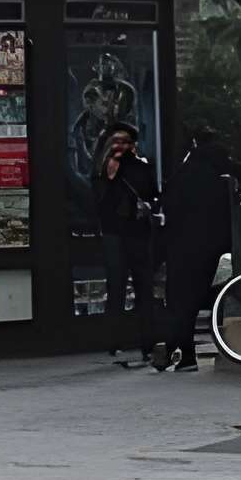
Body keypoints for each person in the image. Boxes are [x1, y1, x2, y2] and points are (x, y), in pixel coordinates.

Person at [157, 129, 236, 374]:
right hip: (213, 245)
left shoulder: (184, 173)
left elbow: (170, 208)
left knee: (180, 299)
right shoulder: (222, 173)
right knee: (194, 298)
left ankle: (182, 352)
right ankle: (176, 350)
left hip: (183, 244)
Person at [93, 122, 161, 367]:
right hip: (114, 233)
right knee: (116, 288)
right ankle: (114, 342)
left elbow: (154, 194)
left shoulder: (141, 167)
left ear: (133, 145)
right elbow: (98, 201)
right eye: (115, 140)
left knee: (144, 288)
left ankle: (147, 343)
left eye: (124, 141)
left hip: (138, 233)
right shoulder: (102, 167)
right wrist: (109, 175)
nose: (119, 145)